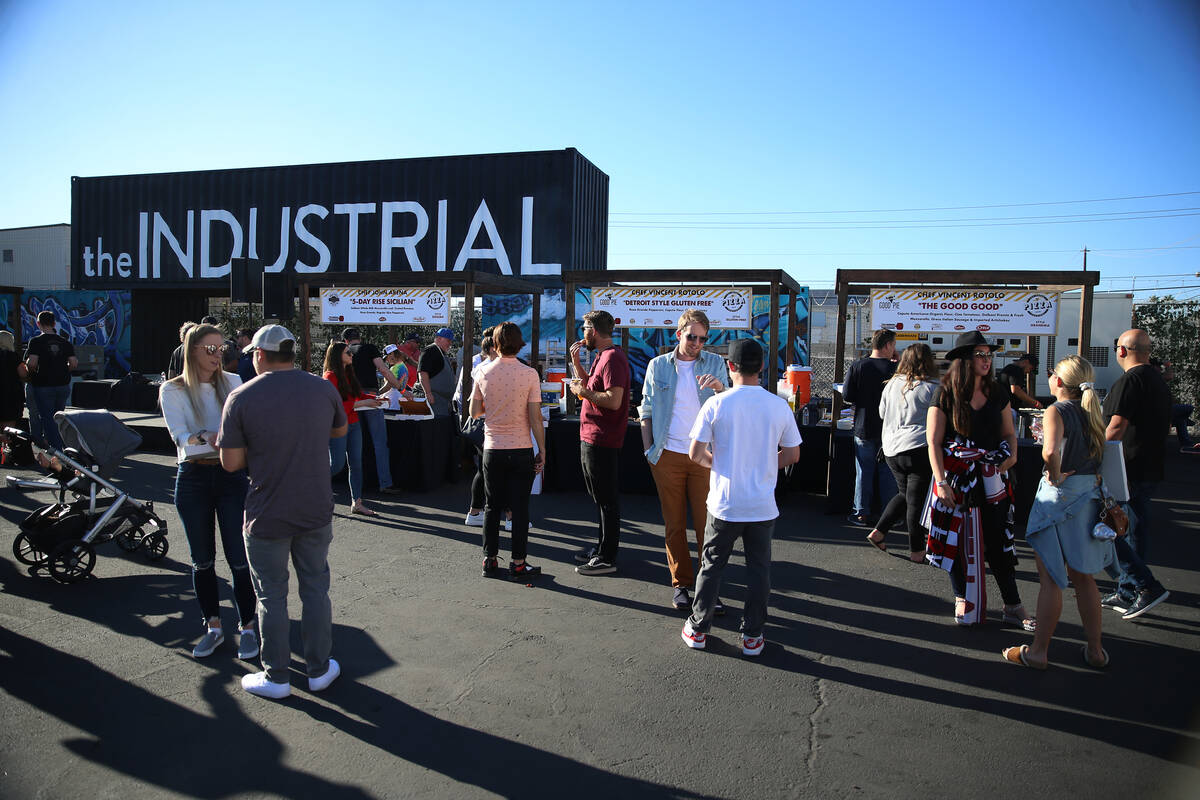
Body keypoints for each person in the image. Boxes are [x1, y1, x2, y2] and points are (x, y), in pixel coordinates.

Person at [216, 324, 347, 699]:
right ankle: (319, 670)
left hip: (267, 511)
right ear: (292, 352)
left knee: (271, 597)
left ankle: (277, 677)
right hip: (315, 507)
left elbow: (230, 463)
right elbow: (339, 433)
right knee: (315, 588)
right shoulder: (323, 388)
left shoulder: (241, 397)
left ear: (259, 354)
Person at [680, 339, 802, 656]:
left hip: (724, 504)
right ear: (761, 367)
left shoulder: (716, 404)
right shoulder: (778, 405)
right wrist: (762, 464)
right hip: (762, 506)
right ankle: (753, 636)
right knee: (759, 571)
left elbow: (694, 454)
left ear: (730, 367)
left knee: (711, 567)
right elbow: (792, 455)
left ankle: (698, 628)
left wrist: (720, 464)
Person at [1002, 355, 1114, 670]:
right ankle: (1095, 650)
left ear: (1059, 382)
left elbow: (1050, 451)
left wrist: (1053, 474)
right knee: (1084, 578)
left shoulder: (1056, 410)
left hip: (1060, 498)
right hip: (1089, 497)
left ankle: (1038, 652)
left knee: (1051, 577)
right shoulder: (1092, 411)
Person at [159, 323, 257, 660]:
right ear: (192, 351)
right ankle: (213, 626)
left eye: (221, 348)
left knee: (239, 559)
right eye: (210, 349)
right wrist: (208, 437)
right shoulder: (172, 389)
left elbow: (246, 427)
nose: (218, 355)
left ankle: (248, 627)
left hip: (231, 476)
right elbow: (179, 435)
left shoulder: (233, 383)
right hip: (193, 478)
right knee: (202, 561)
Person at [925, 330, 1034, 629]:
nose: (987, 360)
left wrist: (1011, 457)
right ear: (964, 360)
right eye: (980, 355)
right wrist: (942, 481)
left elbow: (1009, 434)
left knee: (999, 542)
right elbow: (933, 441)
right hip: (955, 478)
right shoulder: (944, 393)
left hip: (991, 478)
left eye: (989, 355)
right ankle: (962, 597)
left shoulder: (998, 391)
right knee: (956, 539)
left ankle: (1013, 605)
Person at [638, 309, 730, 610]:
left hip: (704, 456)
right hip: (667, 455)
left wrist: (720, 390)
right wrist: (650, 451)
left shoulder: (716, 363)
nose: (697, 344)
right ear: (679, 334)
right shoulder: (658, 366)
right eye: (692, 337)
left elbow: (729, 408)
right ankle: (681, 584)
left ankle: (709, 588)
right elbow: (647, 410)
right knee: (674, 524)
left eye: (703, 339)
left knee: (709, 527)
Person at [1099, 329, 1171, 619]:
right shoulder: (1157, 380)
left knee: (1112, 529)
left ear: (1122, 351)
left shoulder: (1131, 380)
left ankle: (1145, 585)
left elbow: (1115, 427)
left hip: (1127, 466)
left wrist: (1094, 457)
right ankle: (1128, 589)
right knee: (1133, 529)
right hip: (1151, 463)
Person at [469, 322, 546, 579]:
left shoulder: (482, 371)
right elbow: (536, 418)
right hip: (521, 447)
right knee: (520, 507)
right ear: (519, 342)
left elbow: (474, 412)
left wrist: (494, 407)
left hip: (492, 448)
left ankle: (489, 561)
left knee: (492, 506)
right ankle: (518, 562)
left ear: (496, 343)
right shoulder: (530, 374)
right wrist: (542, 449)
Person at [568, 310, 631, 576]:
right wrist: (576, 363)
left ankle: (607, 556)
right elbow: (589, 385)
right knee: (600, 498)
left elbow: (613, 400)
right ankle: (601, 549)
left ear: (593, 330)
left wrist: (582, 392)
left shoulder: (613, 358)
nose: (582, 334)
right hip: (592, 436)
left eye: (584, 329)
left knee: (606, 499)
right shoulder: (602, 357)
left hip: (602, 439)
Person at [866, 343, 938, 562]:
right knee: (915, 501)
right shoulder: (933, 387)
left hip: (891, 449)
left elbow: (881, 413)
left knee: (905, 495)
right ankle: (917, 550)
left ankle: (879, 532)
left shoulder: (892, 384)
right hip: (918, 448)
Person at [842, 329, 898, 526]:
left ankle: (861, 513)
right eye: (894, 344)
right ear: (888, 345)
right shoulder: (896, 369)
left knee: (863, 471)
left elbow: (847, 396)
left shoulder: (858, 366)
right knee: (888, 472)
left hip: (863, 425)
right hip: (889, 429)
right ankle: (889, 515)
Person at [324, 341, 383, 517]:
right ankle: (309, 490)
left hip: (354, 423)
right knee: (336, 465)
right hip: (338, 426)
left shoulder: (348, 373)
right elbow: (338, 404)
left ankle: (357, 503)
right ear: (337, 356)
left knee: (356, 464)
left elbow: (357, 395)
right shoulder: (330, 376)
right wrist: (365, 402)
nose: (352, 355)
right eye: (348, 352)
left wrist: (377, 398)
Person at [343, 328, 405, 495]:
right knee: (379, 442)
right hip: (370, 395)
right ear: (359, 338)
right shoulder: (369, 348)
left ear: (346, 341)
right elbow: (384, 369)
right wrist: (399, 386)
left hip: (353, 398)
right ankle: (385, 482)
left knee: (356, 443)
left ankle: (358, 483)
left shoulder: (344, 352)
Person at [22, 310, 77, 452]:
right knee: (59, 416)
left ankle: (54, 449)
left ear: (38, 324)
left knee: (47, 417)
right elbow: (74, 363)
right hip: (63, 384)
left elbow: (32, 363)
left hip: (43, 384)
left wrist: (32, 371)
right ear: (54, 323)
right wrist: (64, 370)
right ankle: (61, 445)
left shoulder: (36, 342)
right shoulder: (65, 342)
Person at [463, 327, 497, 527]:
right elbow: (476, 405)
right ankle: (509, 515)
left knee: (484, 470)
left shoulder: (482, 365)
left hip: (485, 423)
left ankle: (475, 512)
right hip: (486, 424)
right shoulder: (485, 367)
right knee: (491, 470)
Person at [418, 327, 458, 417]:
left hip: (443, 402)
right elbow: (423, 373)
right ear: (439, 339)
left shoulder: (440, 352)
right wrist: (428, 393)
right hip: (434, 400)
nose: (450, 344)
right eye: (448, 340)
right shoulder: (429, 350)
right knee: (435, 427)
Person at [0, 330, 25, 432]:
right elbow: (23, 373)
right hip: (11, 394)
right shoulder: (14, 356)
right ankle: (7, 445)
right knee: (9, 429)